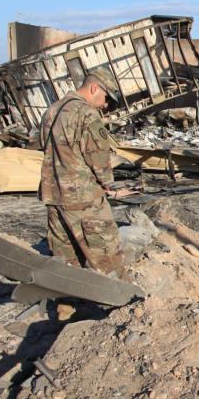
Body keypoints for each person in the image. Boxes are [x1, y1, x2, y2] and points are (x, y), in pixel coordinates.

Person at [38, 66, 125, 277]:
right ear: (94, 88)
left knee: (65, 261)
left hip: (54, 196)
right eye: (105, 97)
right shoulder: (87, 114)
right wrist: (107, 183)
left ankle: (66, 308)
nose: (105, 105)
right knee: (106, 257)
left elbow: (42, 145)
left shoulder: (52, 110)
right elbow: (98, 158)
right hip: (84, 199)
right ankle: (119, 307)